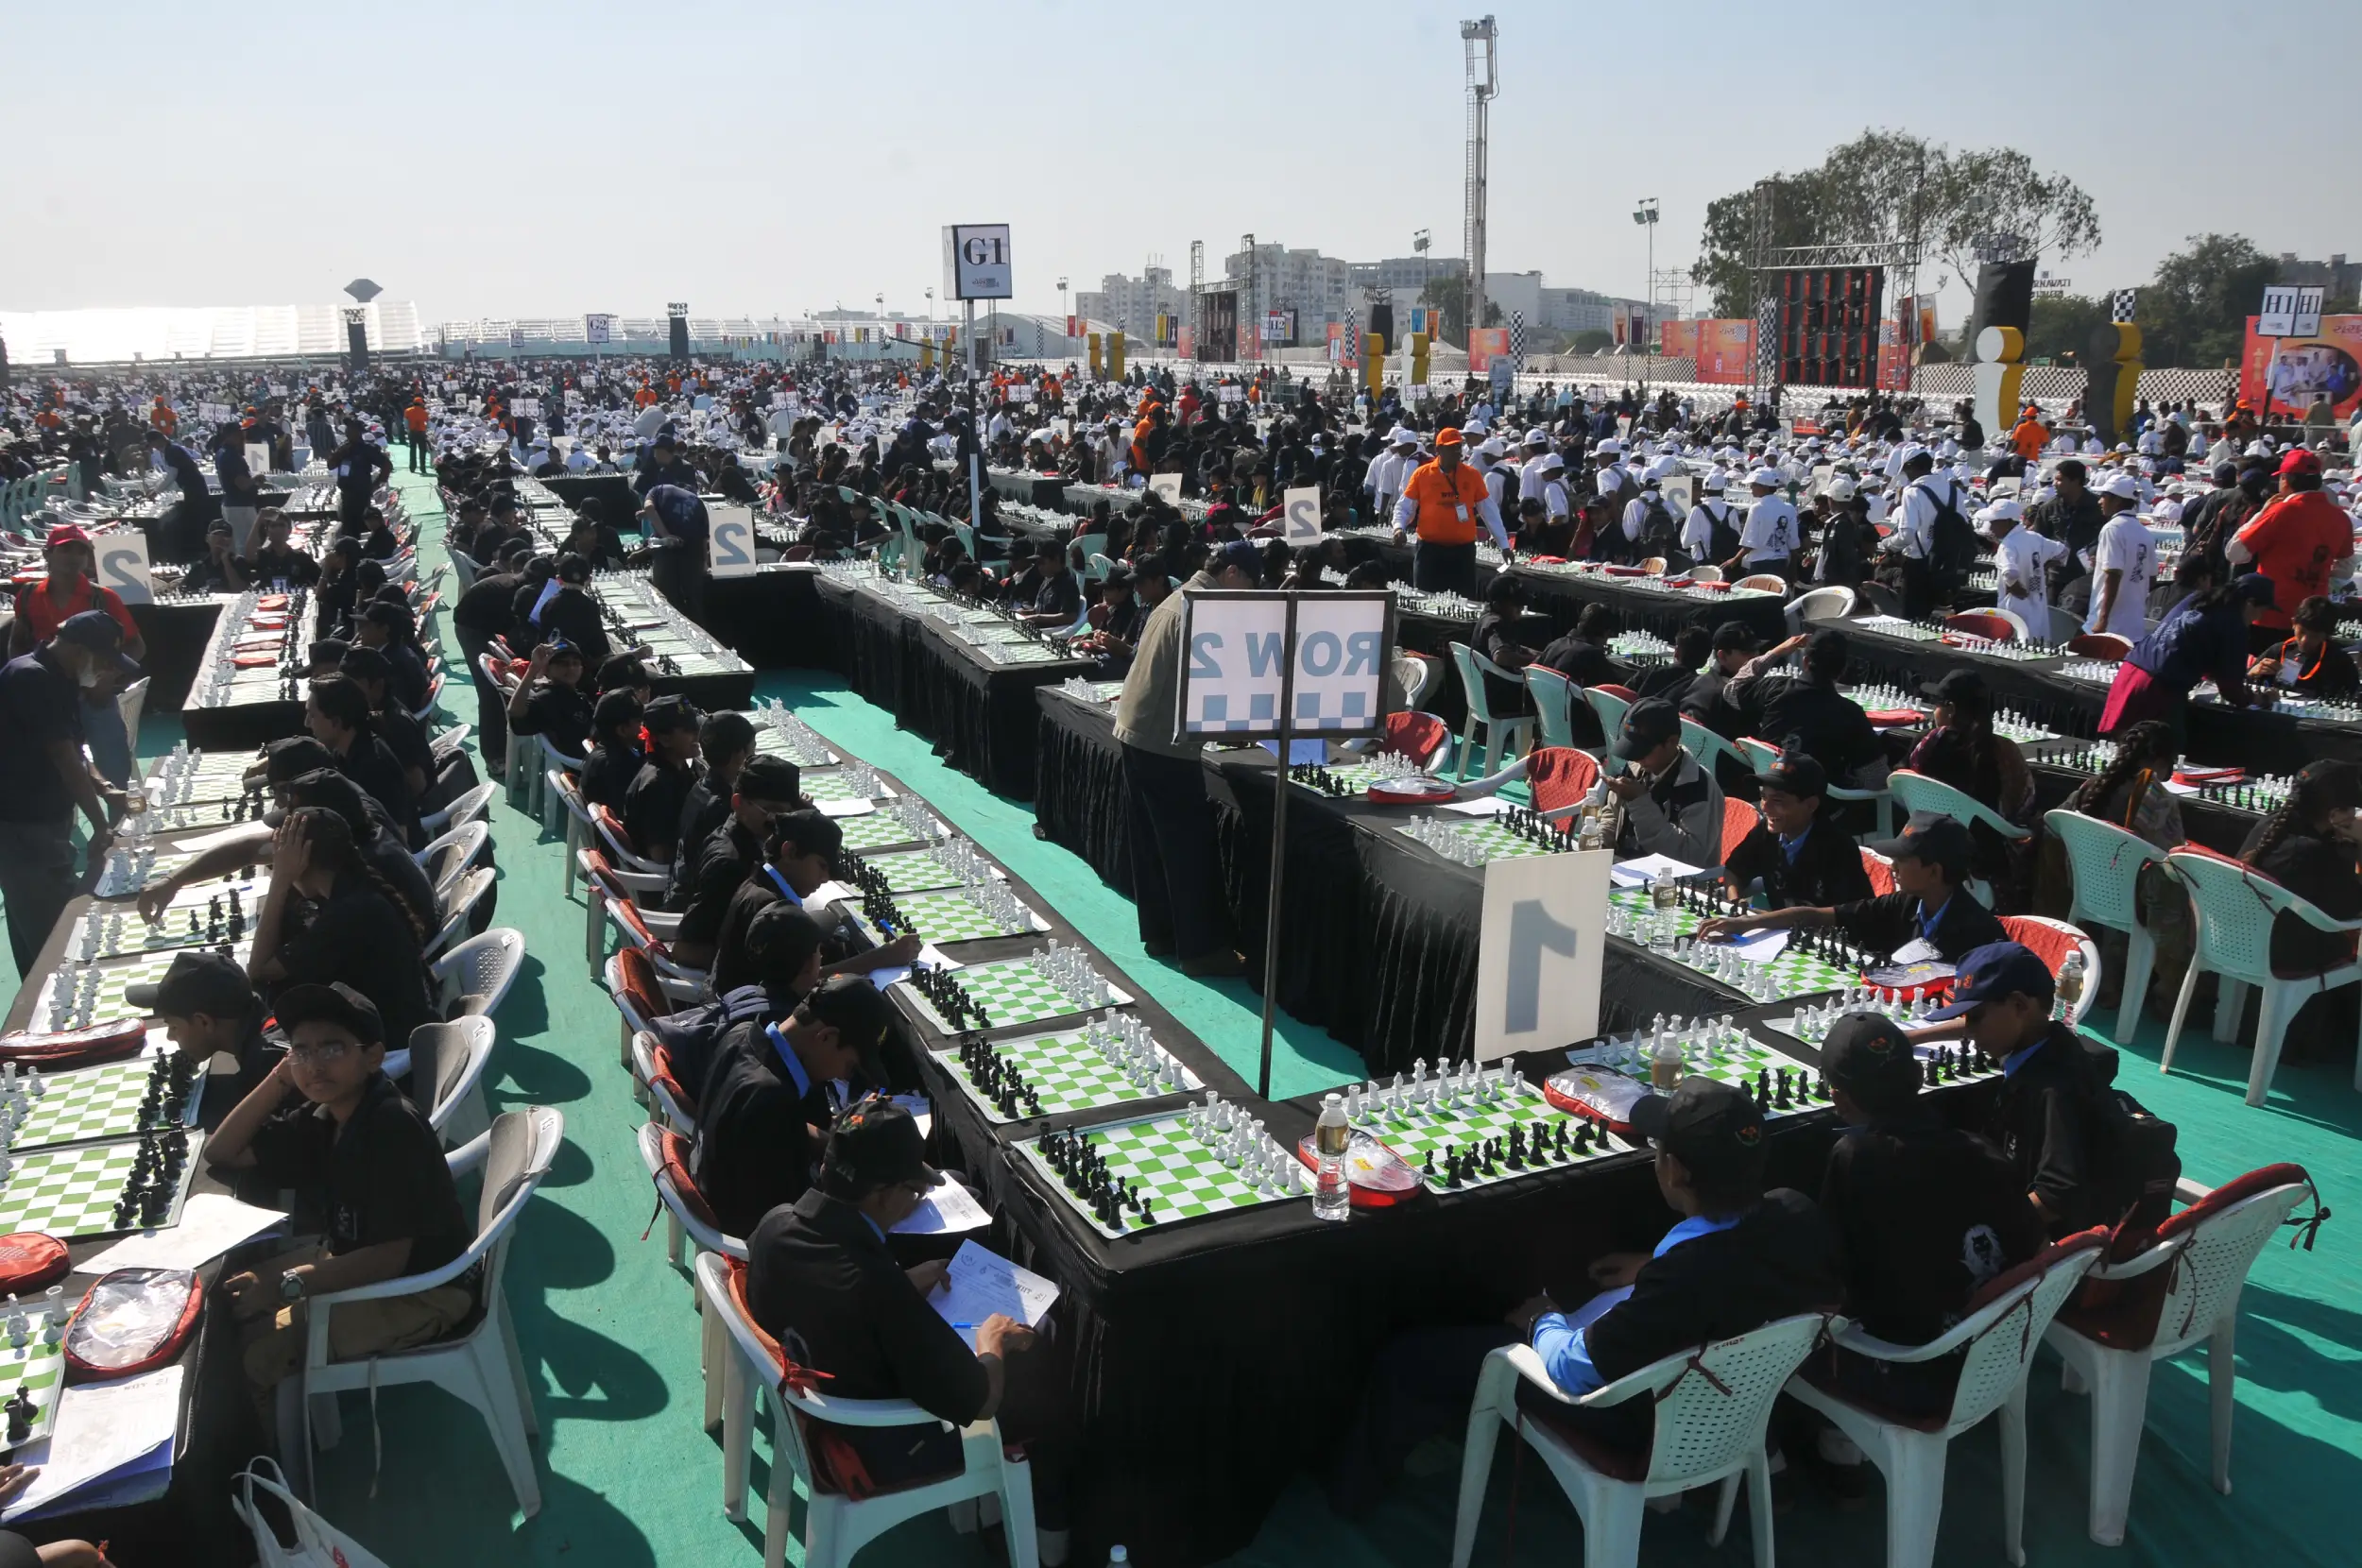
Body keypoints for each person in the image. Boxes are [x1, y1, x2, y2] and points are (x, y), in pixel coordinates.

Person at [1329, 1077, 1840, 1515]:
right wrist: (1653, 1265)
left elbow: (1575, 1371)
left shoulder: (1682, 1278)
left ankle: (1352, 1498)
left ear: (1676, 1172)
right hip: (1735, 1404)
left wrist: (1540, 1319)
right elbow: (1739, 1272)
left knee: (1410, 1357)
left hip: (1643, 1423)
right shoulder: (1796, 1212)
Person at [744, 1099, 1070, 1562]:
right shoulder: (873, 1284)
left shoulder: (773, 1227)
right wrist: (991, 1342)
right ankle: (1049, 1530)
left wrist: (899, 1284)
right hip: (882, 1445)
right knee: (1046, 1338)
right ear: (882, 1195)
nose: (914, 1203)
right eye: (913, 1193)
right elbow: (980, 1400)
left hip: (810, 1412)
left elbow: (827, 1298)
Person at [208, 982, 472, 1419]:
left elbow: (387, 1260)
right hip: (358, 1261)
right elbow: (223, 1152)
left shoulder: (389, 1127)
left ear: (372, 1057)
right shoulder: (328, 1114)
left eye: (332, 1049)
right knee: (229, 1300)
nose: (314, 1065)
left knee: (246, 1358)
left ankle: (269, 1471)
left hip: (424, 1291)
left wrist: (286, 1283)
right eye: (301, 1051)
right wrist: (279, 1079)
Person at [1807, 1014, 2043, 1440]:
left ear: (1839, 1098)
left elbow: (1831, 1277)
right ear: (1918, 1076)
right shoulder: (1985, 1152)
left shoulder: (1855, 1158)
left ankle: (1832, 1459)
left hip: (1911, 1373)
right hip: (1998, 1355)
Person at [1933, 943, 2177, 1236]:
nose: (1968, 1031)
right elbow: (1982, 1020)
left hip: (2055, 1249)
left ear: (2020, 1006)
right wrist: (1910, 1036)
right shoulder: (2051, 1039)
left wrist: (1976, 1235)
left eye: (1975, 1017)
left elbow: (2055, 1196)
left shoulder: (2053, 1089)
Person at [1110, 538, 1258, 976]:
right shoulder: (1203, 609)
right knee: (1188, 847)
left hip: (1137, 729)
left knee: (1153, 843)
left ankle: (1161, 934)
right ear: (1232, 573)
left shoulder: (1179, 597)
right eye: (1250, 585)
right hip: (1163, 740)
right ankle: (1202, 950)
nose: (1250, 597)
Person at [692, 975, 895, 1238]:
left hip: (718, 1190)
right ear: (825, 1037)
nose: (845, 1077)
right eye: (851, 1066)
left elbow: (782, 1133)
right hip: (755, 1238)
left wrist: (840, 1137)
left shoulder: (741, 1036)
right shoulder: (772, 1099)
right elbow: (792, 1217)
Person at [0, 612, 133, 976]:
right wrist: (100, 823)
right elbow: (63, 757)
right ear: (78, 649)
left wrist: (105, 788)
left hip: (44, 819)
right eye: (104, 659)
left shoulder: (57, 676)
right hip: (21, 825)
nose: (108, 669)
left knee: (33, 926)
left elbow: (75, 747)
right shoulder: (30, 677)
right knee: (55, 938)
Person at [244, 808, 437, 1049]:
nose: (275, 862)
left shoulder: (346, 916)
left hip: (389, 1050)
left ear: (303, 858)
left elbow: (259, 969)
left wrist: (281, 880)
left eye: (281, 854)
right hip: (398, 1028)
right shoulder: (356, 887)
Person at [1698, 812, 2009, 962]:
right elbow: (1814, 916)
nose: (1893, 867)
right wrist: (1746, 922)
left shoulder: (1980, 933)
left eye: (1903, 859)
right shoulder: (1903, 904)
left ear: (1934, 871)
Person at [2237, 760, 2362, 1052]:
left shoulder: (2267, 825)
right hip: (2288, 955)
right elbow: (2353, 910)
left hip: (2242, 941)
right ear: (2335, 814)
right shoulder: (2315, 853)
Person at [9, 524, 146, 788]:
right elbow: (17, 645)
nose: (73, 557)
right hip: (46, 696)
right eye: (65, 550)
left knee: (114, 768)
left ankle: (122, 820)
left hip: (92, 694)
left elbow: (137, 647)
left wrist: (106, 680)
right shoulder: (27, 596)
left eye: (80, 551)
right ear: (47, 554)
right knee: (51, 767)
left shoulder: (105, 598)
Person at [2098, 568, 2275, 743]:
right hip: (2158, 689)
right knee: (2155, 754)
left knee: (2123, 749)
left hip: (2130, 673)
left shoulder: (2201, 599)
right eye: (2262, 611)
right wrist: (2260, 699)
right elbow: (2231, 690)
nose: (2258, 618)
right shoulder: (2235, 626)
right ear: (2250, 603)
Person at [669, 756, 807, 971]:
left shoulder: (745, 833)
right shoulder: (730, 864)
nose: (778, 822)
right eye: (771, 811)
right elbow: (686, 949)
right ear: (738, 802)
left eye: (787, 814)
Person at [1908, 670, 2033, 891]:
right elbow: (2021, 807)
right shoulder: (2002, 751)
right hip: (1983, 851)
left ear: (1951, 709)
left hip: (1925, 841)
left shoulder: (1924, 744)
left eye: (1937, 704)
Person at [2227, 449, 2355, 649]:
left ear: (2285, 480)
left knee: (2260, 676)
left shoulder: (2281, 511)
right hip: (2314, 620)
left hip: (2269, 616)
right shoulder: (2340, 517)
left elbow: (2235, 553)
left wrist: (2262, 513)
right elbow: (2346, 570)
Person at [1722, 752, 1874, 910]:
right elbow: (1734, 870)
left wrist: (1765, 921)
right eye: (1763, 797)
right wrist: (1736, 904)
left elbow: (1845, 915)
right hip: (1777, 930)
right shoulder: (1767, 831)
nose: (1765, 807)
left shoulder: (1838, 848)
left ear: (1810, 805)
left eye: (1777, 800)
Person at [304, 673, 420, 847]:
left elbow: (400, 836)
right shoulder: (346, 749)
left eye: (312, 716)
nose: (306, 723)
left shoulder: (374, 766)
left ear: (335, 721)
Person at [1392, 428, 1507, 597]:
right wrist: (1398, 527)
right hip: (1429, 552)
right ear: (1438, 450)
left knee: (1464, 603)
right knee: (1425, 600)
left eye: (1459, 447)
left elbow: (1489, 511)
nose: (1457, 451)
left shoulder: (1472, 475)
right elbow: (1404, 506)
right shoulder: (1422, 474)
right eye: (1451, 447)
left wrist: (1504, 544)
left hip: (1462, 553)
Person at [1606, 698, 1723, 864]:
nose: (1637, 758)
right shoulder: (1635, 767)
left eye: (1643, 751)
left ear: (1671, 742)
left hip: (1673, 882)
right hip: (1623, 867)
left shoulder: (1698, 787)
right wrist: (1599, 843)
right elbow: (1612, 814)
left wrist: (1640, 803)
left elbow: (1690, 856)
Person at [452, 541, 529, 778]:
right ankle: (494, 756)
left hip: (482, 625)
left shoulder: (514, 584)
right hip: (471, 629)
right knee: (490, 692)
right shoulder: (511, 592)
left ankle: (506, 748)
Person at [337, 645, 434, 804]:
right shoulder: (382, 710)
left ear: (377, 686)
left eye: (351, 686)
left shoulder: (395, 724)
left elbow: (417, 784)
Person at [625, 695, 705, 869]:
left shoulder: (676, 766)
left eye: (697, 726)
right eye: (689, 729)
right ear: (665, 739)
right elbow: (660, 854)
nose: (697, 734)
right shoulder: (657, 785)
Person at [2083, 473, 2158, 639]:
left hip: (2111, 624)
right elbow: (2151, 578)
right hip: (2134, 625)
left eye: (2104, 496)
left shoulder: (2112, 529)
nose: (2099, 501)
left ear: (2117, 500)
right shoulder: (2144, 533)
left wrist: (2103, 619)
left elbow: (2113, 574)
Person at [2251, 594, 2362, 697]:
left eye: (2314, 636)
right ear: (2293, 623)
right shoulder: (2278, 651)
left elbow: (2353, 697)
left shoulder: (2340, 663)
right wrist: (2252, 673)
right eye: (2302, 632)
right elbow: (2244, 681)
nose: (2305, 640)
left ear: (2327, 635)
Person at [1980, 499, 2062, 636]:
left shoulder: (2007, 545)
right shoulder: (2034, 537)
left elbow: (2010, 573)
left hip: (2016, 607)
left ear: (2007, 522)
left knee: (2015, 643)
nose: (1990, 527)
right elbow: (2063, 552)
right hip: (2037, 602)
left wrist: (2014, 586)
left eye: (1994, 522)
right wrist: (2042, 566)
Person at [505, 638, 594, 760]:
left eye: (575, 663)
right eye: (563, 664)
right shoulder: (548, 698)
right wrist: (533, 668)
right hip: (579, 764)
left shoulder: (578, 696)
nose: (571, 668)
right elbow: (515, 711)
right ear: (548, 669)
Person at [640, 483, 710, 622]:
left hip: (667, 552)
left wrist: (665, 535)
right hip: (693, 554)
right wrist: (704, 562)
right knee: (694, 601)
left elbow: (649, 507)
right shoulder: (698, 502)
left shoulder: (656, 490)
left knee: (666, 599)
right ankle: (700, 636)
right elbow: (704, 538)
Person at [578, 690, 646, 812]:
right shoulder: (620, 766)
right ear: (622, 730)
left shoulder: (603, 750)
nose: (642, 728)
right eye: (639, 722)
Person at [1730, 467, 1799, 579]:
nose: (1751, 487)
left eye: (1754, 484)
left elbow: (1750, 543)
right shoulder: (1789, 508)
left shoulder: (1757, 508)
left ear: (1764, 487)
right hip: (1781, 564)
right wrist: (1793, 568)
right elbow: (1793, 543)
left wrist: (1735, 559)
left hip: (1760, 564)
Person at [1628, 623, 1711, 707]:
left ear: (1676, 652)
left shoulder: (1651, 670)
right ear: (1705, 660)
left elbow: (1622, 693)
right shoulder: (1698, 688)